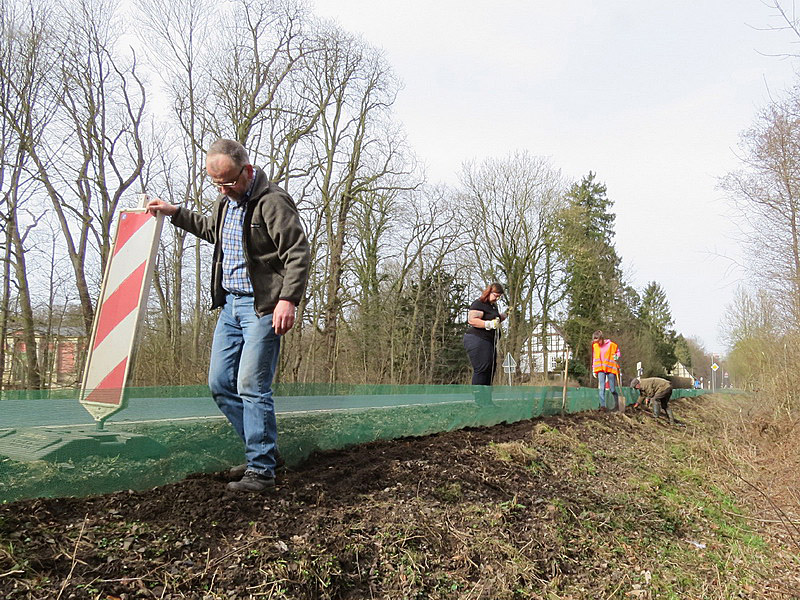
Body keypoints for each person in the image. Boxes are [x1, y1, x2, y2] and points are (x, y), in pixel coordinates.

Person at [146, 139, 310, 493]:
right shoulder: (226, 202)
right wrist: (176, 213)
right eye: (216, 184)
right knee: (220, 384)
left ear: (247, 171)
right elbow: (214, 233)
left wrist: (288, 300)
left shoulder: (272, 202)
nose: (223, 189)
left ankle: (262, 471)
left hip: (262, 307)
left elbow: (297, 252)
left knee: (252, 385)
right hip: (230, 307)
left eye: (229, 182)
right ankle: (263, 452)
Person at [463, 282, 507, 385]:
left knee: (491, 369)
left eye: (499, 297)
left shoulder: (492, 307)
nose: (497, 299)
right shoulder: (479, 304)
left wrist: (505, 314)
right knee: (483, 367)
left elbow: (495, 318)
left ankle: (486, 399)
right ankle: (479, 399)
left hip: (489, 341)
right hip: (477, 339)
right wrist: (489, 324)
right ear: (489, 292)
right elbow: (472, 320)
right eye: (496, 296)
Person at [591, 330, 620, 411]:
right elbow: (594, 357)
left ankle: (617, 404)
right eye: (595, 341)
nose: (597, 343)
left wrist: (616, 356)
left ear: (601, 338)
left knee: (612, 389)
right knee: (602, 388)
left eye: (598, 341)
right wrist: (594, 369)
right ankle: (603, 406)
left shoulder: (611, 345)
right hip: (600, 369)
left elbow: (618, 352)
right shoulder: (595, 346)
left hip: (610, 368)